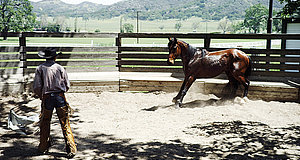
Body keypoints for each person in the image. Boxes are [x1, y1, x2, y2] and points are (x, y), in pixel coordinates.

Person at [33, 48, 77, 158]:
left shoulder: (40, 68)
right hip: (60, 97)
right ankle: (71, 149)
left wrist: (41, 96)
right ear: (55, 57)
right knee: (65, 122)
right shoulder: (60, 68)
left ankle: (43, 147)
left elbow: (37, 86)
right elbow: (67, 85)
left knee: (45, 122)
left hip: (47, 98)